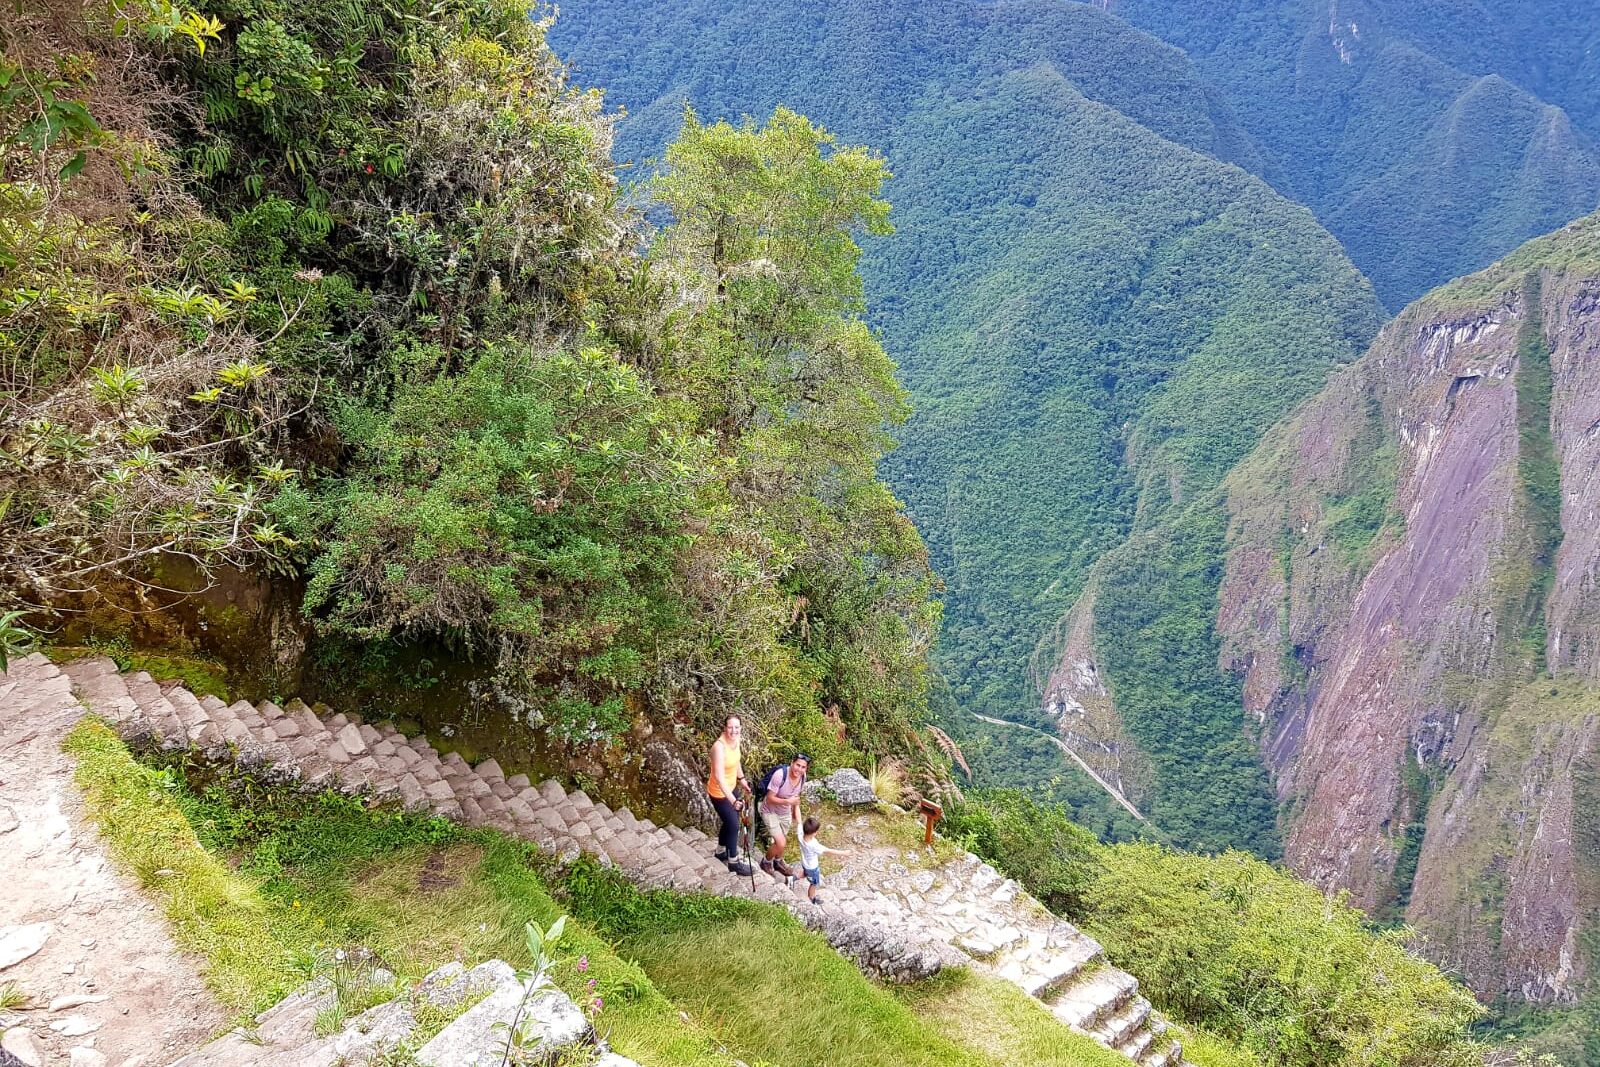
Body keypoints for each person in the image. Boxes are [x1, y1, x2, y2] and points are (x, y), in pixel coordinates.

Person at [706, 714, 752, 876]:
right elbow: (719, 778)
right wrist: (733, 801)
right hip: (719, 792)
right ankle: (733, 862)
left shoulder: (736, 740)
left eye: (737, 727)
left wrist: (742, 779)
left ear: (740, 728)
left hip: (732, 786)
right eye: (730, 727)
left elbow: (736, 761)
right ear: (725, 728)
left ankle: (720, 851)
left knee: (729, 821)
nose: (734, 730)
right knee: (733, 823)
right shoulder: (719, 747)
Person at [758, 753, 809, 877]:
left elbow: (796, 801)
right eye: (798, 765)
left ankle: (778, 862)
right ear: (792, 763)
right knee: (781, 842)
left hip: (785, 812)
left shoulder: (802, 777)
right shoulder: (780, 775)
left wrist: (799, 823)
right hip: (769, 811)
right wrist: (788, 802)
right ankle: (766, 862)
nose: (799, 769)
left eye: (803, 767)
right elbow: (769, 798)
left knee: (782, 841)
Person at [798, 815, 850, 906]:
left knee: (806, 872)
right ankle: (812, 898)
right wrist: (843, 853)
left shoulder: (800, 834)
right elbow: (828, 851)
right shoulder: (813, 845)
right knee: (814, 883)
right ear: (814, 833)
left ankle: (796, 877)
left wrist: (796, 805)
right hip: (812, 868)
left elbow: (798, 820)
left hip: (804, 863)